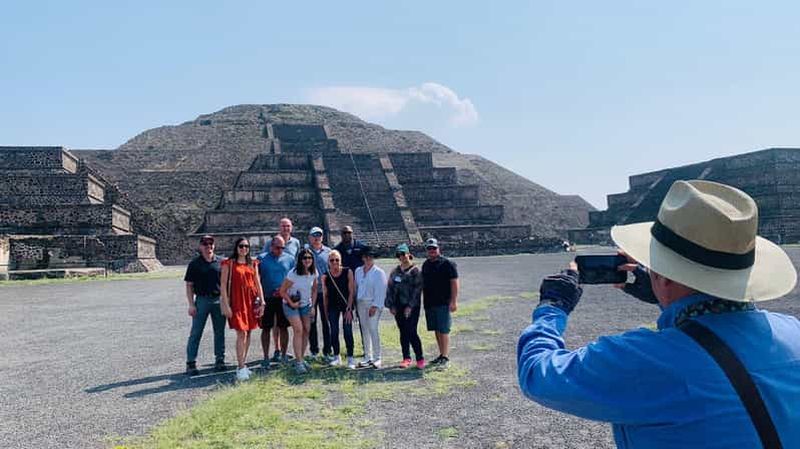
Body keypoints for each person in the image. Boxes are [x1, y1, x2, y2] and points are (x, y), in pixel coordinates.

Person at [517, 180, 800, 448]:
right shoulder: (793, 332)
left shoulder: (643, 359)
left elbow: (538, 374)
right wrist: (665, 297)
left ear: (663, 275)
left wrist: (553, 307)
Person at [220, 237, 265, 381]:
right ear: (236, 247)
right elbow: (223, 286)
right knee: (241, 334)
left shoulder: (253, 263)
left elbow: (258, 283)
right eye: (241, 246)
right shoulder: (229, 264)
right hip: (237, 302)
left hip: (251, 302)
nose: (244, 249)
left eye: (246, 246)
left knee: (249, 332)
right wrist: (226, 305)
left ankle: (243, 364)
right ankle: (240, 368)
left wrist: (262, 301)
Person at [183, 235, 226, 375]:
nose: (208, 247)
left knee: (219, 332)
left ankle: (220, 359)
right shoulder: (194, 264)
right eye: (205, 244)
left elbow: (226, 284)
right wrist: (191, 304)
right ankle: (191, 362)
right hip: (202, 300)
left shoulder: (221, 262)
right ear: (200, 246)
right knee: (196, 332)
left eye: (211, 244)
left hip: (218, 300)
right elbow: (189, 285)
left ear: (214, 245)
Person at [257, 235, 294, 369]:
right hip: (267, 298)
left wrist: (284, 290)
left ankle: (284, 355)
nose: (280, 250)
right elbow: (257, 278)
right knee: (266, 328)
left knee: (283, 327)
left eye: (283, 247)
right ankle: (266, 357)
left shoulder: (289, 259)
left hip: (283, 298)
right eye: (278, 247)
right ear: (271, 246)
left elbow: (293, 277)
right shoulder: (261, 259)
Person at [385, 243, 425, 369]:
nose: (401, 257)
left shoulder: (416, 271)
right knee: (403, 332)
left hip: (412, 307)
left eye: (403, 254)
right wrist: (390, 305)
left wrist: (410, 306)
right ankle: (406, 357)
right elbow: (390, 288)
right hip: (398, 306)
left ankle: (420, 358)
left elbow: (417, 290)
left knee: (412, 331)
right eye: (399, 255)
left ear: (408, 254)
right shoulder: (395, 271)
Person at [279, 247, 318, 374]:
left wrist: (312, 306)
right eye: (304, 258)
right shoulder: (293, 274)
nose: (307, 260)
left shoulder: (313, 273)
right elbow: (282, 291)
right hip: (291, 305)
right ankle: (299, 362)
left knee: (307, 329)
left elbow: (314, 289)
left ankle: (300, 358)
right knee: (298, 329)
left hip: (306, 305)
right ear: (300, 260)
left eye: (310, 258)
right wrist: (291, 303)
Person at [421, 238, 459, 368]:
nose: (432, 251)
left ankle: (445, 356)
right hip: (430, 302)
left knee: (443, 330)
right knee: (436, 329)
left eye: (434, 248)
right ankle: (441, 354)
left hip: (443, 302)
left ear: (438, 249)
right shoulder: (426, 264)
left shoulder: (447, 263)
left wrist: (453, 301)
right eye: (429, 249)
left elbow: (454, 282)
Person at [354, 246, 387, 368]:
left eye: (370, 257)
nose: (368, 259)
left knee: (373, 329)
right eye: (366, 257)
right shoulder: (358, 271)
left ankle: (377, 357)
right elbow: (356, 287)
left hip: (373, 304)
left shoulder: (379, 272)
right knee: (364, 330)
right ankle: (368, 356)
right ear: (362, 258)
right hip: (361, 303)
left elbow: (381, 291)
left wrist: (375, 306)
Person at [322, 249, 356, 368]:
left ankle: (351, 357)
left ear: (340, 261)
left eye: (337, 260)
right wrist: (325, 313)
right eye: (332, 260)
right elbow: (325, 296)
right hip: (332, 306)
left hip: (346, 305)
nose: (335, 262)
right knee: (334, 331)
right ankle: (337, 356)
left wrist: (349, 309)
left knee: (347, 330)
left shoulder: (348, 272)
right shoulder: (325, 276)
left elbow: (352, 291)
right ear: (328, 262)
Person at [306, 226, 332, 360]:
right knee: (311, 320)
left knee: (326, 321)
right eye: (314, 235)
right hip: (310, 292)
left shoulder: (329, 252)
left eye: (319, 235)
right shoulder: (305, 253)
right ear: (310, 237)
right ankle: (314, 350)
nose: (317, 238)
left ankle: (328, 350)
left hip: (325, 292)